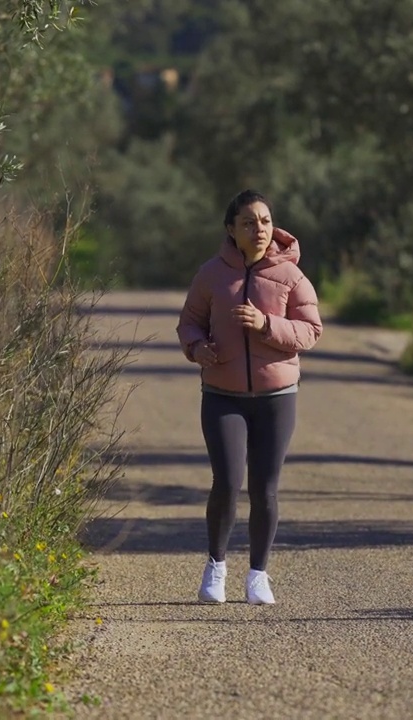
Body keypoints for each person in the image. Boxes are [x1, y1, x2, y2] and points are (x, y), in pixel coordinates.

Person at [176, 190, 323, 605]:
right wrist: (197, 348)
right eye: (248, 223)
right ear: (231, 230)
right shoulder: (211, 275)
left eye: (265, 220)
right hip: (222, 395)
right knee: (226, 482)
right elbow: (189, 323)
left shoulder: (292, 277)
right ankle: (216, 567)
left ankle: (258, 574)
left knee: (265, 488)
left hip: (277, 396)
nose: (259, 229)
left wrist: (265, 325)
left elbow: (310, 330)